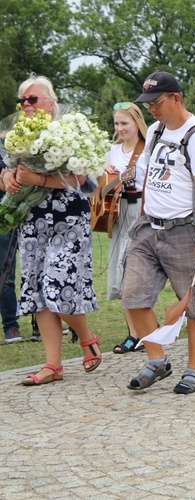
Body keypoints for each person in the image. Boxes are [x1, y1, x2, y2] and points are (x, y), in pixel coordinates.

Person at [0, 75, 101, 384]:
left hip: (68, 220)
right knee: (36, 289)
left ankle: (86, 336)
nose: (26, 106)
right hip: (33, 220)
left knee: (57, 283)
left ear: (51, 103)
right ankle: (52, 365)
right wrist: (7, 178)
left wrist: (39, 180)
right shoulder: (16, 136)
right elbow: (6, 171)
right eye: (22, 101)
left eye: (33, 99)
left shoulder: (71, 130)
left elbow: (81, 180)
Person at [122, 71, 195, 394]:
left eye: (156, 102)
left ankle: (193, 369)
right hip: (150, 228)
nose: (151, 109)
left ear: (176, 98)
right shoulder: (157, 131)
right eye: (147, 104)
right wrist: (143, 216)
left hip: (185, 231)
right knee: (133, 295)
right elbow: (148, 177)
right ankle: (157, 360)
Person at [104, 102, 149, 353]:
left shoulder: (147, 149)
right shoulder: (111, 151)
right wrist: (104, 172)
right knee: (122, 271)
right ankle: (133, 333)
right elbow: (100, 185)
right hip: (118, 213)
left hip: (141, 211)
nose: (120, 128)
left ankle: (142, 332)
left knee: (137, 271)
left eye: (124, 123)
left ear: (136, 123)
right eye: (116, 124)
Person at [0, 162, 22, 343]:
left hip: (22, 210)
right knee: (6, 273)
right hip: (5, 216)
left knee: (37, 271)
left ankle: (42, 322)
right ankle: (10, 325)